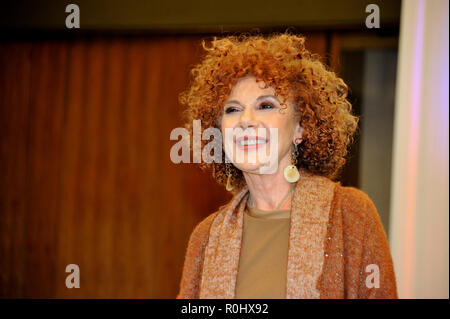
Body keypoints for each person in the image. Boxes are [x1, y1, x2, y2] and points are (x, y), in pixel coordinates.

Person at [176, 32, 397, 299]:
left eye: (265, 105)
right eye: (232, 109)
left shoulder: (350, 215)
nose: (245, 120)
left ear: (300, 128)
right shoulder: (205, 238)